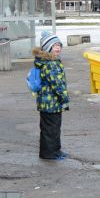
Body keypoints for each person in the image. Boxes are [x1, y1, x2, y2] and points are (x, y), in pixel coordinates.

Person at [33, 32, 69, 160]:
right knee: (51, 129)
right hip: (51, 102)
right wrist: (64, 98)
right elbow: (57, 84)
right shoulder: (50, 63)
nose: (58, 48)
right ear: (48, 48)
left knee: (52, 128)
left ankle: (55, 150)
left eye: (59, 45)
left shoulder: (49, 61)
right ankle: (48, 153)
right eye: (54, 46)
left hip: (48, 102)